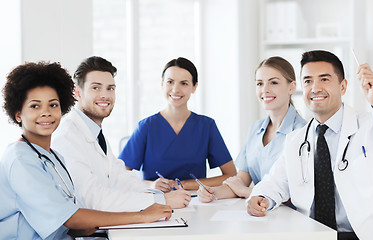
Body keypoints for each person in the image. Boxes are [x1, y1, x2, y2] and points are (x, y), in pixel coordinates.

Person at [247, 50, 373, 239]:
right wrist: (261, 198)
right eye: (308, 81)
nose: (315, 88)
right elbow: (274, 182)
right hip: (315, 236)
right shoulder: (296, 141)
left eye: (324, 79)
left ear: (343, 87)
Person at [0, 62, 173, 240]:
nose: (46, 113)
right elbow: (70, 218)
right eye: (35, 106)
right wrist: (142, 216)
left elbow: (67, 215)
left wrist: (87, 226)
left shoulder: (54, 157)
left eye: (53, 105)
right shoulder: (20, 159)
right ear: (18, 113)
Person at [52, 56, 190, 212]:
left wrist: (159, 193)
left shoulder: (94, 133)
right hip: (84, 233)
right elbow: (92, 199)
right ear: (78, 92)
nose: (105, 95)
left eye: (110, 88)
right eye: (96, 88)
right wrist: (161, 200)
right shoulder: (67, 137)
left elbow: (121, 178)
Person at [119, 57, 237, 191]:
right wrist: (151, 185)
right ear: (162, 84)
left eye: (184, 83)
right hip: (154, 201)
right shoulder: (146, 126)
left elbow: (231, 175)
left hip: (195, 201)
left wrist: (183, 185)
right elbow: (120, 176)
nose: (175, 89)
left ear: (194, 87)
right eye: (170, 82)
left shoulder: (206, 126)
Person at [198, 56, 305, 202]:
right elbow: (241, 180)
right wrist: (212, 192)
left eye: (273, 82)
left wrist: (247, 191)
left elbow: (299, 194)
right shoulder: (255, 129)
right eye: (259, 84)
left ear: (292, 87)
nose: (265, 90)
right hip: (259, 214)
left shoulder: (302, 132)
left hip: (290, 217)